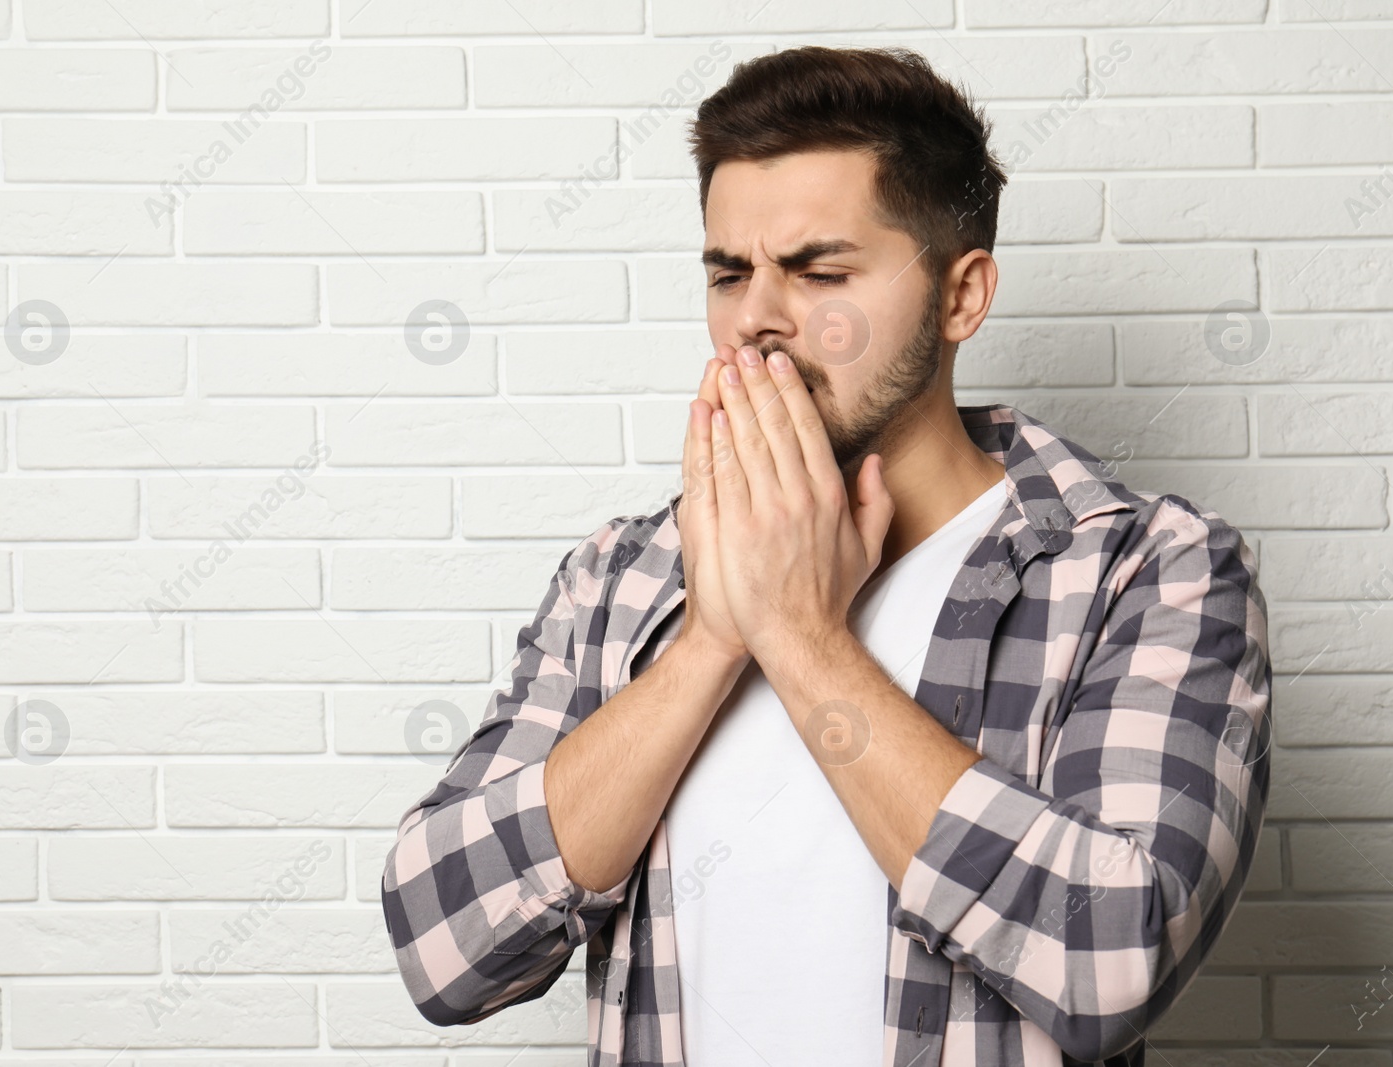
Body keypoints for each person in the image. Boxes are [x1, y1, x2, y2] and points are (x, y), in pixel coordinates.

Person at [382, 45, 1271, 1067]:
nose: (757, 317)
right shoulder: (621, 576)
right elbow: (444, 947)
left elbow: (1109, 957)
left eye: (819, 271)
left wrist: (801, 636)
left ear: (960, 296)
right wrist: (713, 635)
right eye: (729, 273)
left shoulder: (1145, 571)